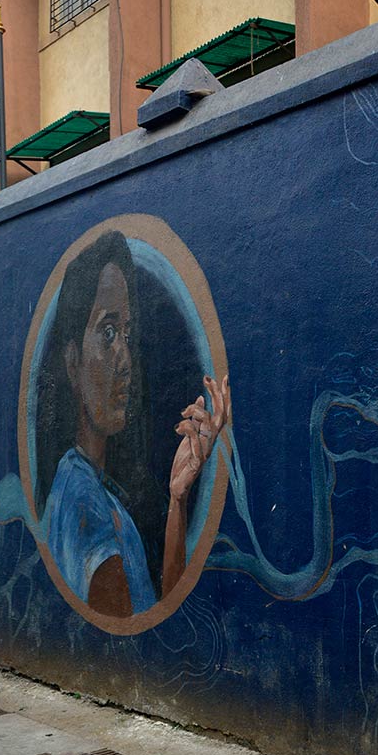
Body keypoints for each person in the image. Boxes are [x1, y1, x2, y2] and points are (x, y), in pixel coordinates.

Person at [40, 229, 230, 617]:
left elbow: (156, 616)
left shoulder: (92, 486)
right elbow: (128, 639)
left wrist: (177, 497)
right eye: (108, 332)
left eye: (125, 333)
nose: (125, 359)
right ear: (73, 362)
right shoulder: (84, 502)